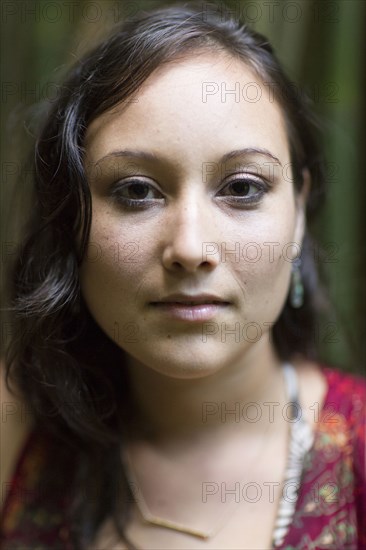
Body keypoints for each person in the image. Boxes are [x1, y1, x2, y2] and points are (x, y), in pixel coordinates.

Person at [1, 2, 365, 549]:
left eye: (242, 188)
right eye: (136, 191)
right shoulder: (14, 435)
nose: (190, 248)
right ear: (69, 219)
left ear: (298, 212)